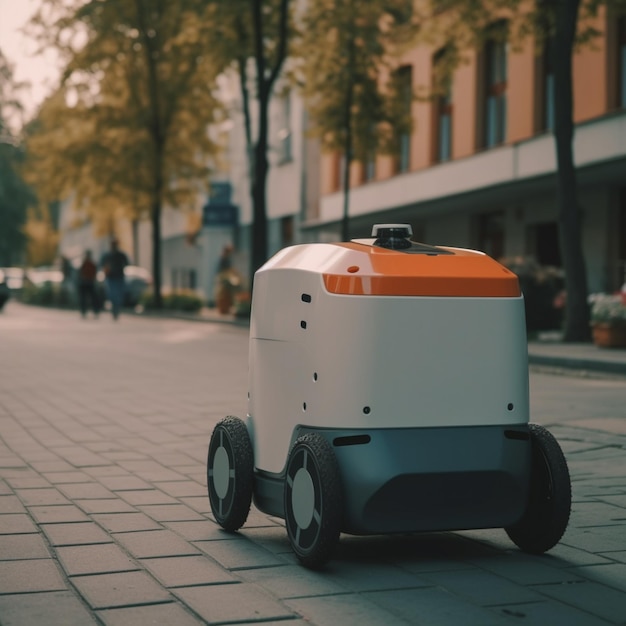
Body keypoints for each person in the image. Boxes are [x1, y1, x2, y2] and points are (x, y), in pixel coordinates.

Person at [100, 239, 129, 320]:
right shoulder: (107, 255)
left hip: (119, 277)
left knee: (118, 295)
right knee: (112, 294)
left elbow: (127, 263)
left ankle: (117, 309)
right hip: (111, 277)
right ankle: (114, 309)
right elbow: (102, 264)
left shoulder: (120, 255)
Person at [77, 250, 100, 318]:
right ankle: (84, 311)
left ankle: (94, 311)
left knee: (92, 298)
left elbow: (94, 272)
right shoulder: (84, 263)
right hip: (85, 282)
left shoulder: (90, 264)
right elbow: (80, 273)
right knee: (85, 298)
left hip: (89, 282)